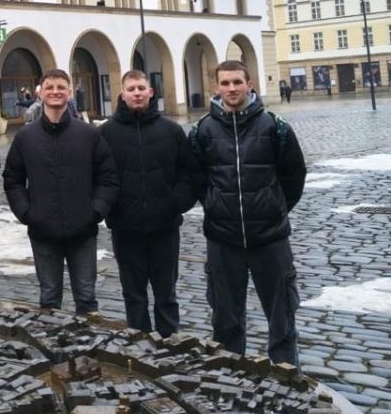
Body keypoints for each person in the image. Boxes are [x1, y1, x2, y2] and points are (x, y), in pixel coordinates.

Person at [188, 59, 307, 366]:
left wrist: (274, 207)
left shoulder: (275, 127)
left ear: (249, 84)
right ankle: (230, 374)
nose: (231, 88)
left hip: (270, 238)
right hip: (223, 239)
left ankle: (286, 375)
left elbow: (293, 176)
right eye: (225, 83)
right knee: (226, 319)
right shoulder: (203, 130)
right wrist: (215, 204)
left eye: (237, 82)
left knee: (281, 317)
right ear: (216, 87)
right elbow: (196, 178)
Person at [4, 68, 119, 314]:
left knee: (87, 298)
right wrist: (27, 213)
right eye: (50, 88)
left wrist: (95, 211)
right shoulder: (26, 136)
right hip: (42, 230)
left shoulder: (88, 134)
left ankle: (89, 349)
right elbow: (13, 180)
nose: (55, 92)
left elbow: (107, 178)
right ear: (41, 93)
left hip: (83, 230)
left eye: (60, 88)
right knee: (49, 299)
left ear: (69, 92)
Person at [99, 70, 197, 337]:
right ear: (122, 94)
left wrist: (175, 203)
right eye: (131, 89)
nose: (137, 93)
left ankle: (170, 345)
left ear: (151, 91)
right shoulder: (107, 133)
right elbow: (98, 176)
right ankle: (139, 347)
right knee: (134, 296)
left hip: (165, 227)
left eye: (141, 88)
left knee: (166, 295)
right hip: (126, 229)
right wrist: (111, 208)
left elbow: (188, 174)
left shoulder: (171, 130)